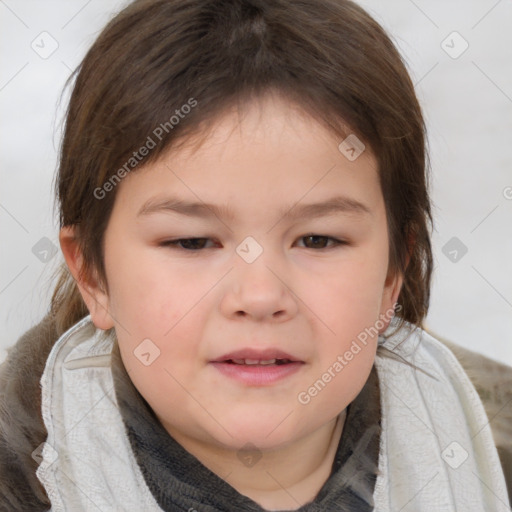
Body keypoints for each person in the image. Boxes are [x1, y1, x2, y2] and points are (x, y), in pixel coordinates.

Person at [0, 0, 510, 510]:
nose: (261, 296)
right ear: (93, 274)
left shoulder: (491, 457)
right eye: (192, 242)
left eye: (318, 240)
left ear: (393, 274)